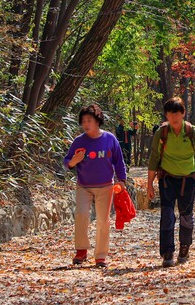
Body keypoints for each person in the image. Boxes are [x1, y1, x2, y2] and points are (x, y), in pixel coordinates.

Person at [147, 97, 195, 268]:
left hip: (187, 179)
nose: (174, 117)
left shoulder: (192, 132)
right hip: (167, 178)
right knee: (167, 215)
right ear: (166, 114)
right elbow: (154, 157)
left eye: (177, 113)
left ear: (183, 113)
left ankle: (185, 247)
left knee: (186, 215)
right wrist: (149, 184)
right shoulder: (162, 133)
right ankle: (167, 252)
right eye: (170, 113)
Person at [63, 103, 127, 268]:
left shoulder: (110, 139)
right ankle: (81, 251)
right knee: (81, 215)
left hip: (105, 186)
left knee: (103, 221)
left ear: (97, 121)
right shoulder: (79, 141)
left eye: (89, 120)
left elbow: (119, 161)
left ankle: (100, 256)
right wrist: (72, 162)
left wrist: (122, 180)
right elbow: (67, 161)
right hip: (84, 186)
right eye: (83, 121)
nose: (86, 124)